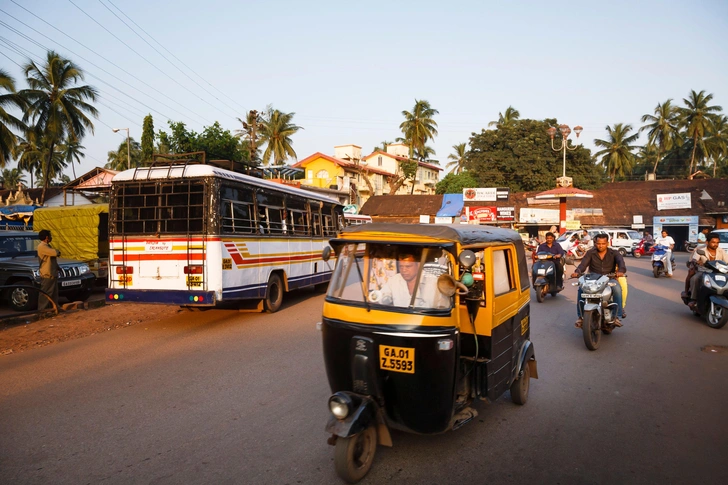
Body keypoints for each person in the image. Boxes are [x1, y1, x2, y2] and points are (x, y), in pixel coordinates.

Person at [571, 233, 626, 328]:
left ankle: (617, 316)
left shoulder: (614, 253)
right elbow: (583, 265)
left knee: (617, 288)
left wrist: (620, 271)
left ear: (607, 243)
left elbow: (621, 264)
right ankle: (580, 317)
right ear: (595, 243)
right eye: (598, 243)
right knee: (581, 289)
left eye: (603, 243)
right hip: (593, 279)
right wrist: (577, 271)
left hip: (609, 278)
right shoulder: (590, 253)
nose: (600, 246)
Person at [378, 253, 444, 308]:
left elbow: (442, 307)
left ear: (418, 265)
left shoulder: (434, 282)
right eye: (401, 266)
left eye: (408, 266)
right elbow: (381, 298)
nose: (404, 270)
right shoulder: (394, 281)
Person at [686, 233, 727, 311]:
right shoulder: (700, 250)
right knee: (695, 278)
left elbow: (727, 261)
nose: (716, 244)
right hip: (704, 271)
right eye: (713, 242)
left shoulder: (721, 251)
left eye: (717, 243)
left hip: (719, 272)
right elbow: (694, 259)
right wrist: (697, 262)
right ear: (707, 242)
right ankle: (693, 299)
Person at [37, 229, 61, 311]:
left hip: (52, 273)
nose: (51, 238)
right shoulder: (42, 247)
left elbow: (51, 260)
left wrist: (57, 267)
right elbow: (55, 253)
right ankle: (42, 310)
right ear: (47, 237)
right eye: (50, 236)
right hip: (47, 274)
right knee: (45, 294)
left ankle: (54, 309)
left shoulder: (47, 246)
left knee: (54, 293)